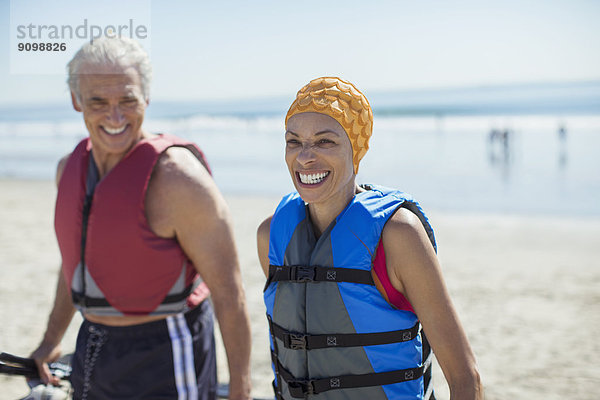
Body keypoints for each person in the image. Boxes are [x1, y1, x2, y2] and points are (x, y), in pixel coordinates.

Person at [29, 37, 252, 400]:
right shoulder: (68, 169)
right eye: (98, 101)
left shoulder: (179, 180)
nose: (115, 117)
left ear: (146, 98)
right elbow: (77, 264)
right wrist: (50, 340)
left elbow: (230, 293)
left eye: (128, 100)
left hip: (166, 348)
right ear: (76, 101)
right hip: (93, 345)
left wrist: (241, 389)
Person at [257, 77, 483, 399]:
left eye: (325, 142)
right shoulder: (271, 235)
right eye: (294, 142)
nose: (305, 157)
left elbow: (465, 377)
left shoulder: (397, 235)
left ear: (356, 150)